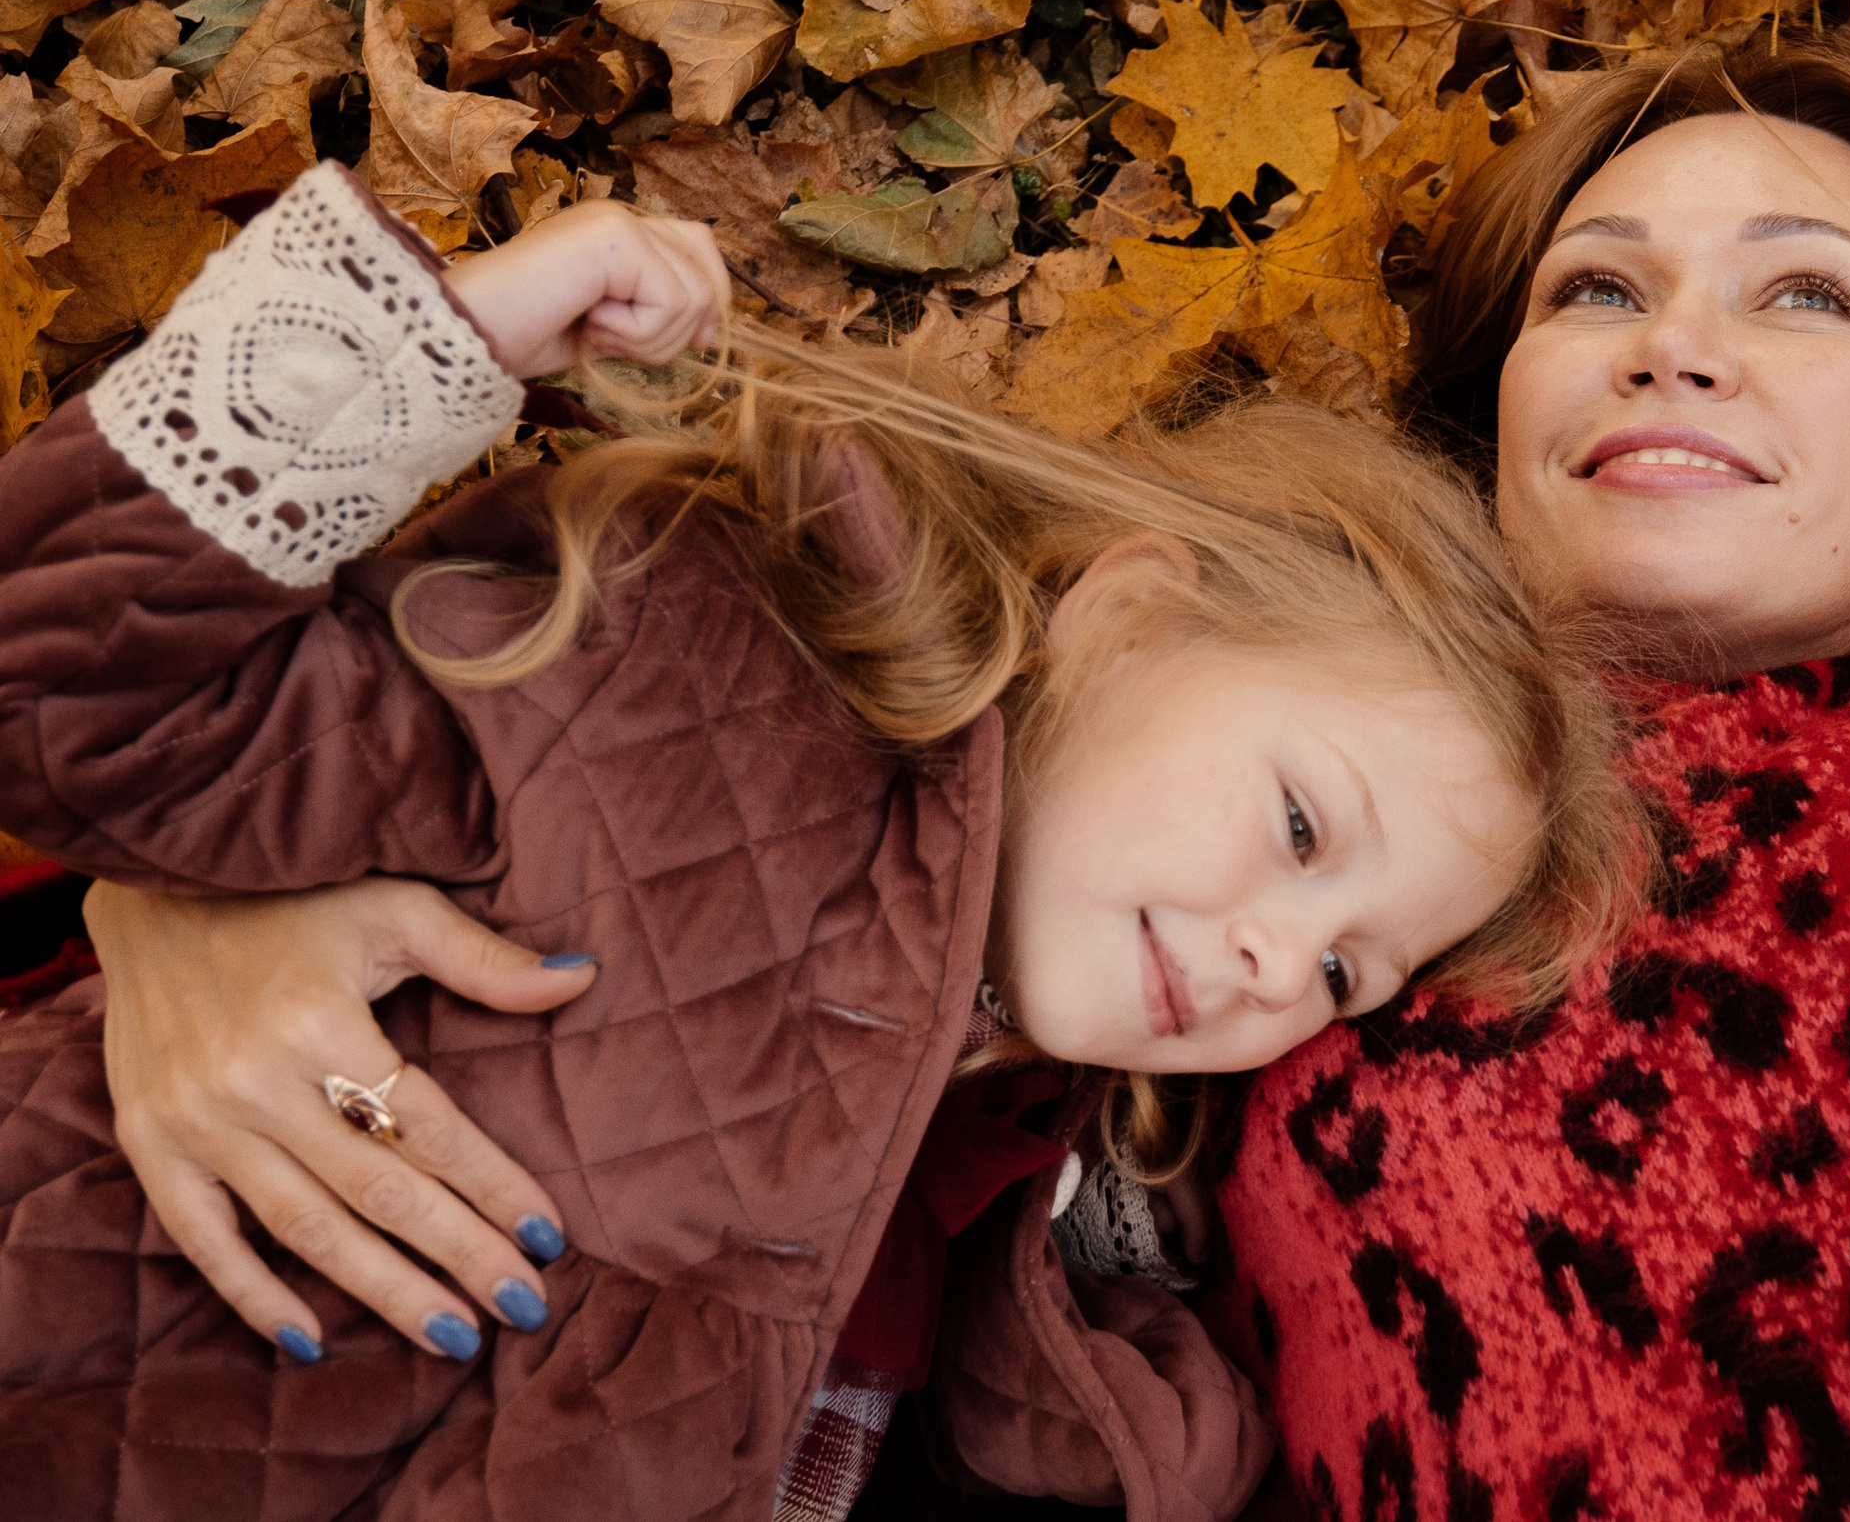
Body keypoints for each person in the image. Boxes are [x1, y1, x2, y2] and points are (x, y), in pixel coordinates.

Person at [45, 36, 1850, 1517]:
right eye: (1596, 292)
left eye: (1798, 295)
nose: (1677, 342)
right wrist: (167, 906)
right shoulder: (1271, 828)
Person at [0, 161, 1634, 1520]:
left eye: (1351, 969)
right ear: (1130, 619)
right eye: (1297, 824)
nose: (1288, 960)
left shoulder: (1012, 1165)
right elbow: (67, 698)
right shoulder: (681, 676)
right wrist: (429, 338)